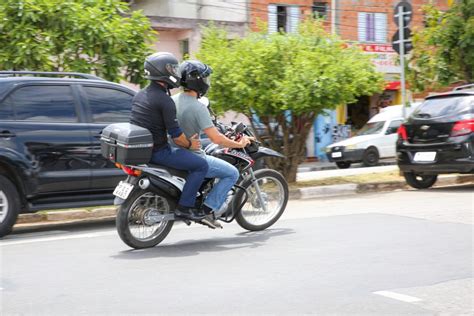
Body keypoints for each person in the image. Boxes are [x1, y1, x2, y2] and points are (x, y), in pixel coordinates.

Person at [173, 60, 252, 228]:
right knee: (231, 173)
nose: (207, 83)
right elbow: (217, 139)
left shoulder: (173, 100)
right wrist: (239, 143)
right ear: (198, 81)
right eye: (205, 79)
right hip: (192, 155)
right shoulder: (198, 107)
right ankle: (208, 211)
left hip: (173, 152)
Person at [130, 52, 208, 221]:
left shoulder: (140, 94)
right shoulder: (165, 101)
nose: (176, 73)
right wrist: (190, 145)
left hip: (143, 149)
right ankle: (185, 208)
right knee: (200, 165)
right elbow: (178, 137)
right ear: (163, 71)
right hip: (159, 152)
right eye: (173, 68)